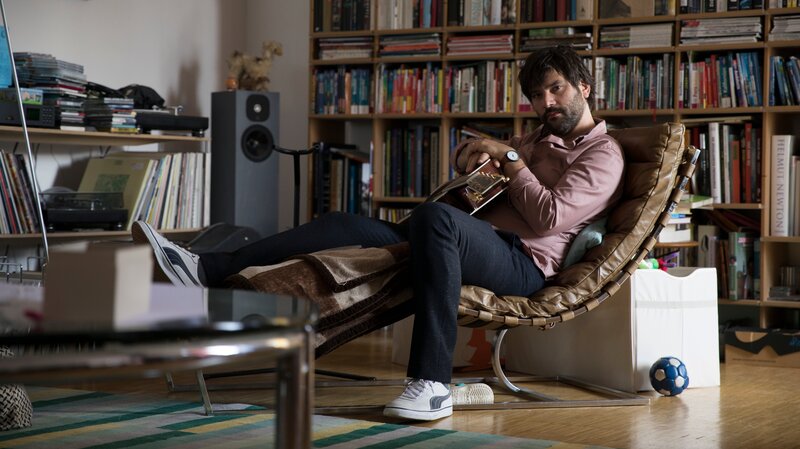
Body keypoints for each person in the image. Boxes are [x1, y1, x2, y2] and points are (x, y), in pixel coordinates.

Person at [132, 45, 625, 422]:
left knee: (434, 219)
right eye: (537, 94)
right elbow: (484, 166)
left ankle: (432, 385)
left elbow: (548, 217)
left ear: (584, 86)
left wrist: (511, 158)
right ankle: (206, 268)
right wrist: (472, 154)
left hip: (521, 263)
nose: (545, 102)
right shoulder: (540, 137)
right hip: (463, 236)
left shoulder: (603, 155)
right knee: (344, 223)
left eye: (556, 89)